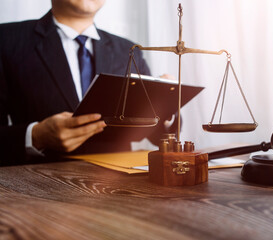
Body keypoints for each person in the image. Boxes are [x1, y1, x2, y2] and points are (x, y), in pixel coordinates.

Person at [0, 0, 165, 166]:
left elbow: (156, 135)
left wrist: (166, 105)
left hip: (119, 183)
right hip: (38, 184)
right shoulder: (7, 40)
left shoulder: (128, 51)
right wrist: (35, 136)